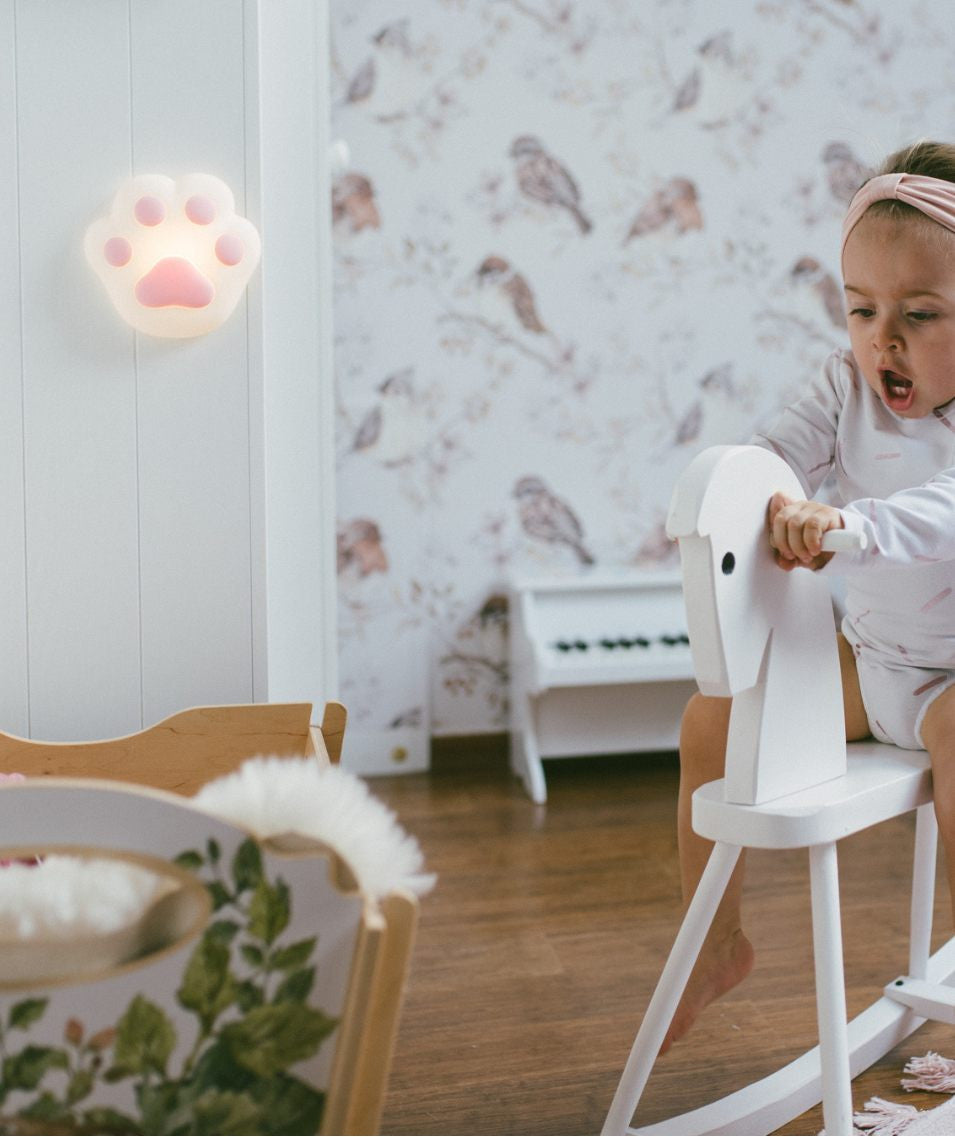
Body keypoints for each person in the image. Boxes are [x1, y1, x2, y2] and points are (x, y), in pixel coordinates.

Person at [665, 139, 955, 1053]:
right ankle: (714, 942)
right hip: (871, 665)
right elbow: (767, 459)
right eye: (861, 308)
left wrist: (850, 525)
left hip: (951, 678)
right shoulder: (843, 387)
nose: (883, 338)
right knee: (708, 723)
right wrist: (769, 501)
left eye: (919, 312)